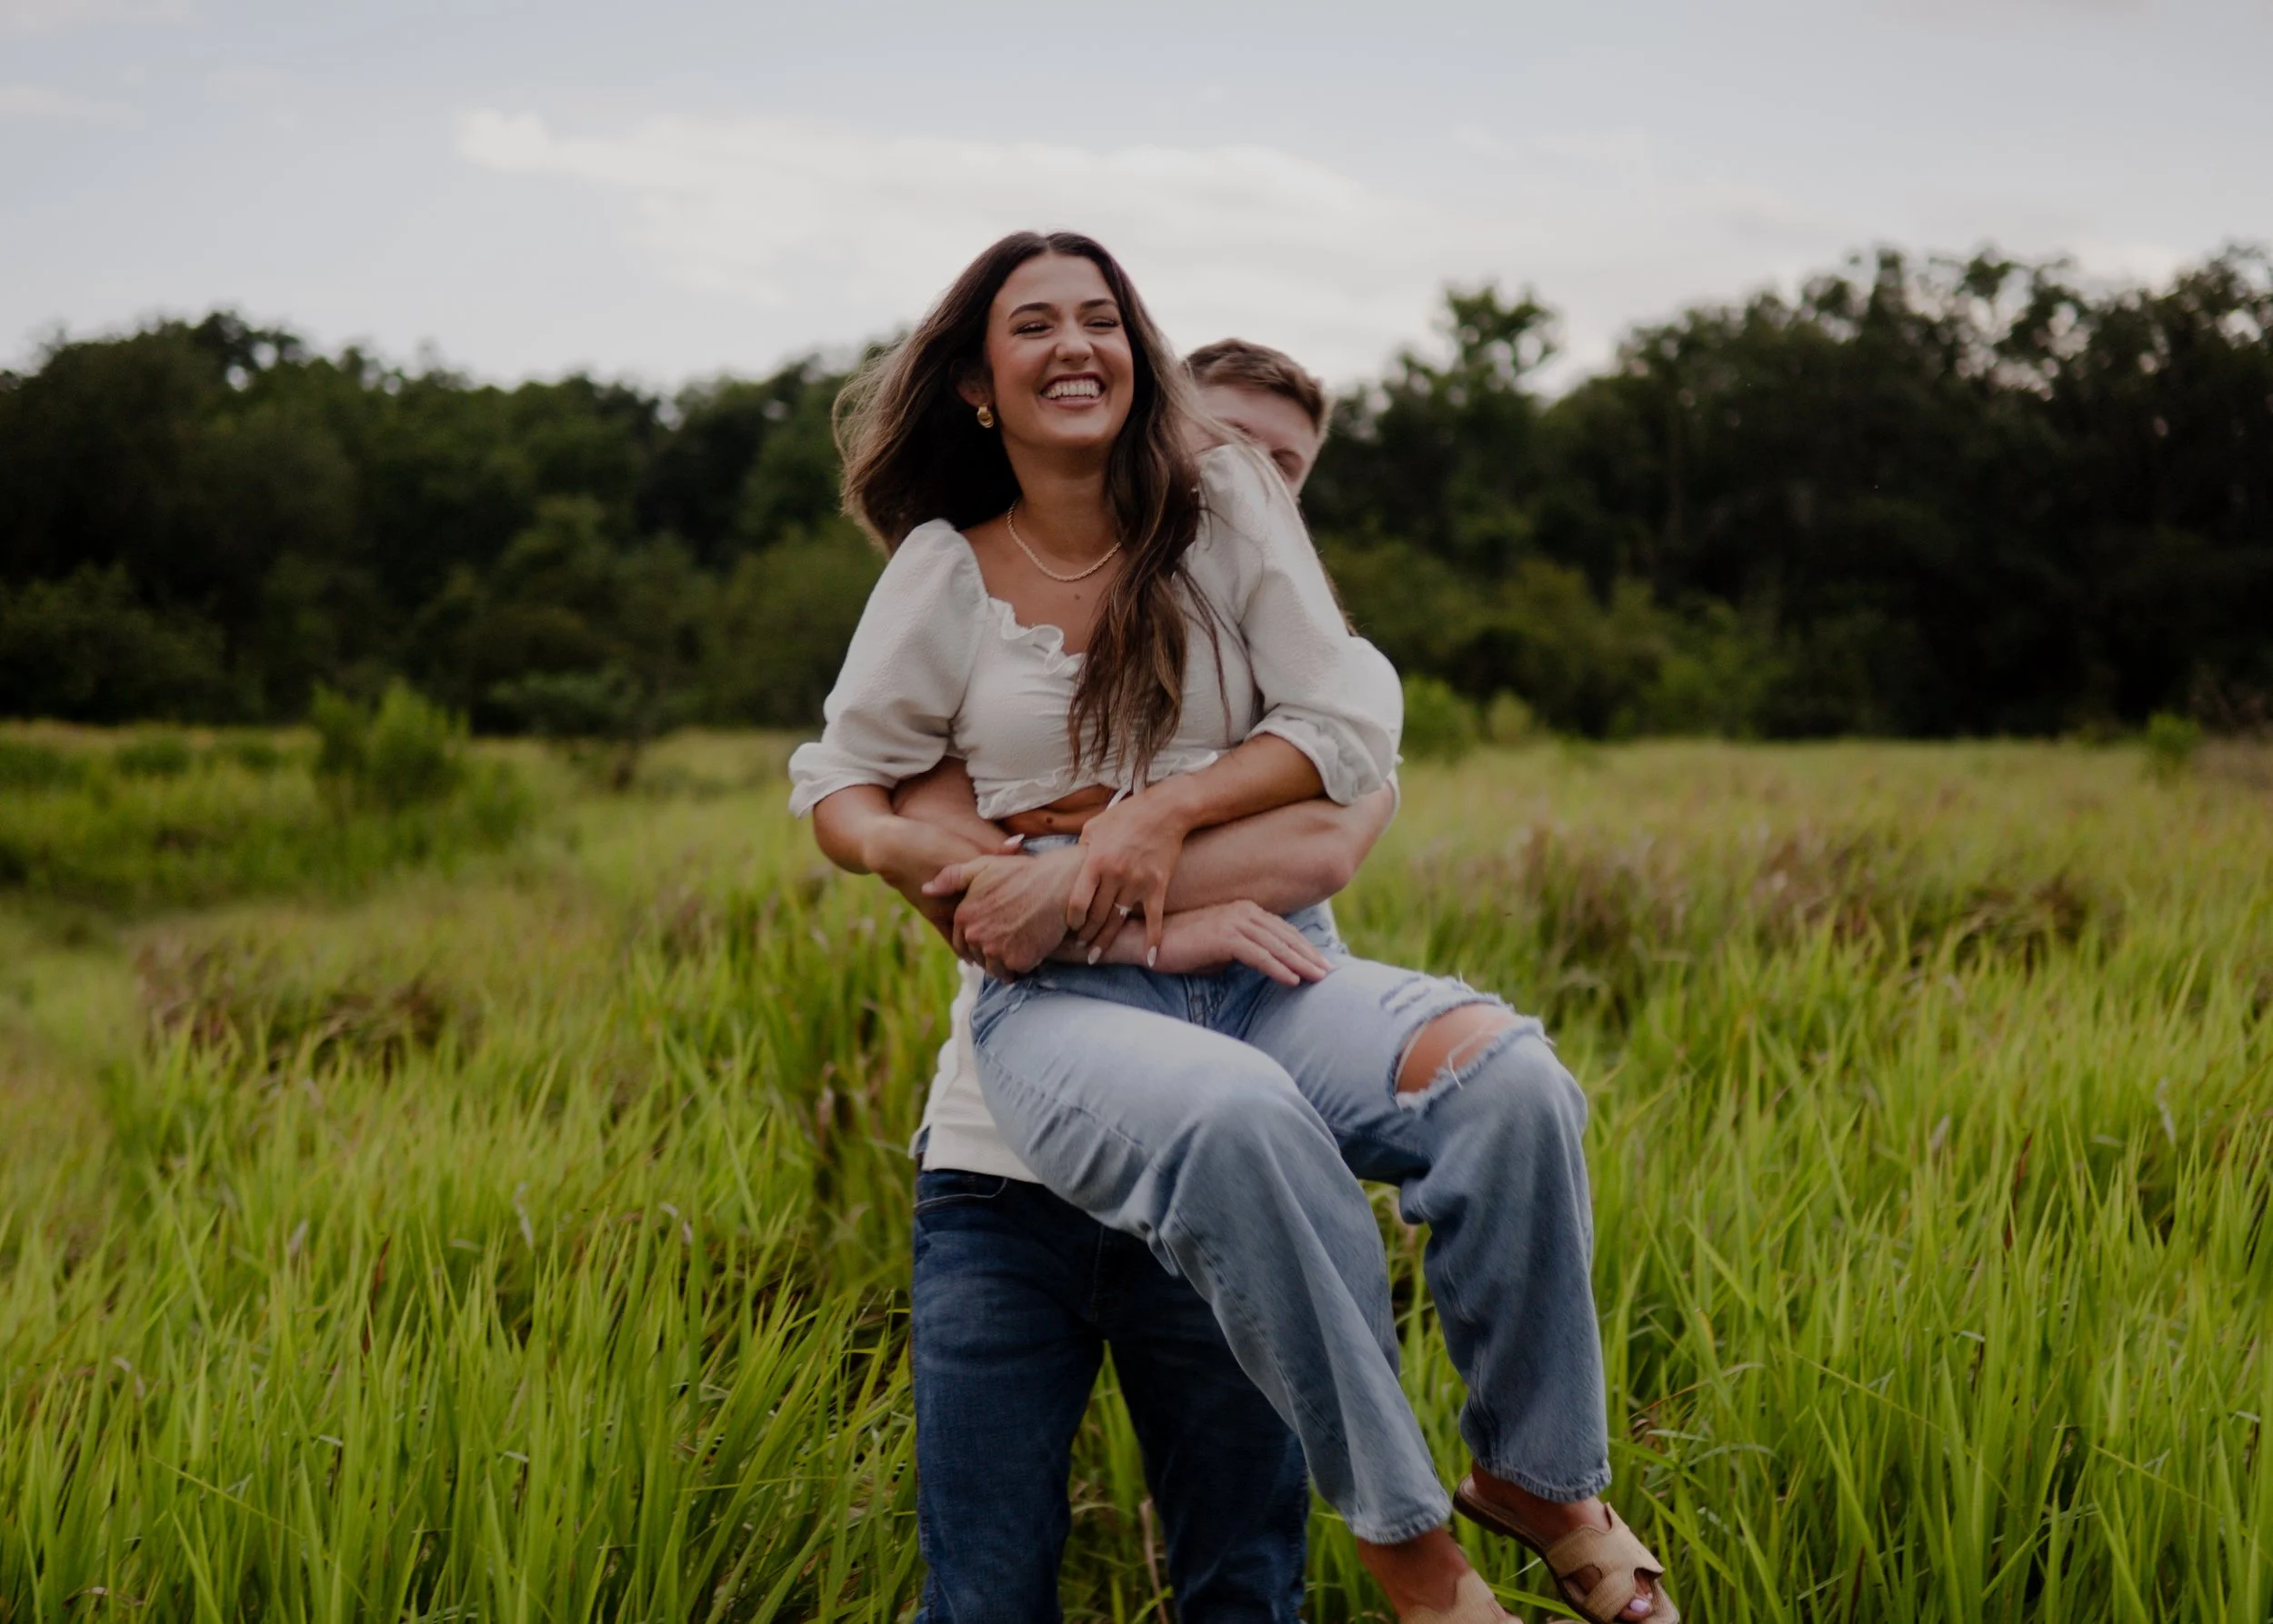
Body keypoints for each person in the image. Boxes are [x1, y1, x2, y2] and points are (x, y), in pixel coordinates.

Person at [793, 231, 1677, 1624]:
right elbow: (860, 796)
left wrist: (1137, 823)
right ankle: (1418, 1563)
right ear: (977, 379)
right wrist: (1040, 884)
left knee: (1509, 1080)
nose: (1076, 344)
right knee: (1245, 1120)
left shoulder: (1229, 514)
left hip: (1269, 983)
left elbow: (1341, 742)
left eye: (1104, 318)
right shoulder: (945, 571)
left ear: (1144, 358)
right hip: (1068, 1046)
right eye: (1036, 324)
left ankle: (1538, 1474)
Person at [876, 337, 1379, 1623]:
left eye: (1286, 466)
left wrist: (1091, 851)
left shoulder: (1325, 684)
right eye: (1224, 447)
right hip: (999, 1182)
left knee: (1243, 1584)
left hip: (1224, 1182)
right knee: (983, 1596)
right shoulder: (1010, 621)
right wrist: (1149, 900)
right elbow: (974, 896)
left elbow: (1322, 840)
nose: (1250, 480)